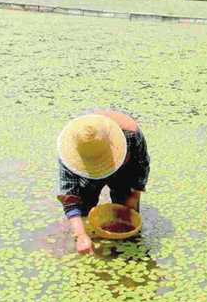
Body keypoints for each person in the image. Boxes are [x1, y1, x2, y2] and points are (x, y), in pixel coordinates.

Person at [57, 109, 150, 255]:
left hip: (122, 169)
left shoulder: (131, 135)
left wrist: (133, 197)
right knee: (83, 212)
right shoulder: (73, 148)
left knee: (127, 215)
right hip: (86, 173)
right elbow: (70, 198)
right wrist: (81, 235)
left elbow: (141, 167)